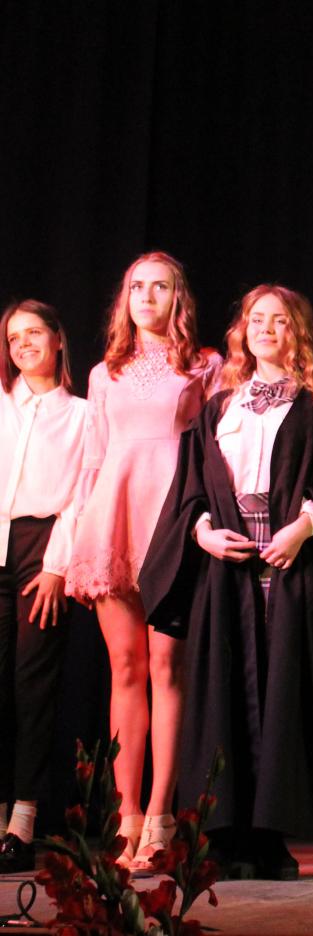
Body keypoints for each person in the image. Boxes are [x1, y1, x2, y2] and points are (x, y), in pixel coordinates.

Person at [139, 285, 313, 880]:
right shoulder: (219, 407)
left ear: (298, 333)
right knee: (224, 692)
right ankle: (224, 835)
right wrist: (203, 532)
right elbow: (191, 487)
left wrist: (305, 527)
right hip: (227, 567)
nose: (265, 328)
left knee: (283, 693)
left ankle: (270, 838)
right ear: (242, 331)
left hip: (291, 563)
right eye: (256, 319)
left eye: (279, 320)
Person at [66, 252, 221, 871]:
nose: (147, 296)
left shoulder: (204, 365)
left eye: (160, 286)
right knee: (125, 667)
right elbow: (93, 459)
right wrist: (78, 541)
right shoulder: (105, 372)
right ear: (124, 298)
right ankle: (126, 816)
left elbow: (215, 452)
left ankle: (161, 816)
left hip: (172, 518)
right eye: (137, 287)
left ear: (178, 297)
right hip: (113, 517)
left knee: (165, 666)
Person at [0, 301, 87, 874]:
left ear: (57, 339)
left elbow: (81, 495)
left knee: (32, 685)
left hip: (42, 547)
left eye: (34, 333)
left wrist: (57, 566)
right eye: (14, 338)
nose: (23, 344)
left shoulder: (81, 414)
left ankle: (23, 822)